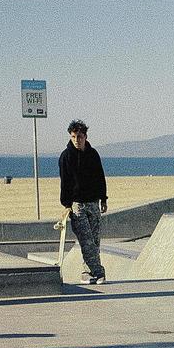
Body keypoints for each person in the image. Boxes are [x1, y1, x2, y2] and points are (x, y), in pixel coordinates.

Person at [58, 119, 108, 285]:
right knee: (86, 240)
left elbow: (100, 177)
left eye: (79, 136)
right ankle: (99, 272)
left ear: (85, 136)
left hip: (93, 202)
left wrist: (103, 198)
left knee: (94, 240)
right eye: (73, 136)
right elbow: (64, 182)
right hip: (77, 204)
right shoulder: (66, 157)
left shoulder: (93, 155)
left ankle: (87, 272)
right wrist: (66, 205)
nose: (76, 140)